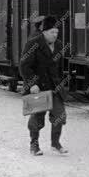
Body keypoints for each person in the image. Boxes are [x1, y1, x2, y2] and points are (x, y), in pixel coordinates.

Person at [19, 15, 69, 156]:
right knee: (37, 119)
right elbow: (24, 67)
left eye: (56, 32)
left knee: (60, 116)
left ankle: (55, 143)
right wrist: (32, 84)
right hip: (39, 87)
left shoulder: (58, 45)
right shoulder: (33, 44)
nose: (55, 35)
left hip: (55, 87)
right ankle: (34, 145)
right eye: (52, 32)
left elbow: (59, 67)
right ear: (44, 32)